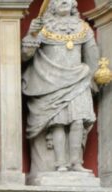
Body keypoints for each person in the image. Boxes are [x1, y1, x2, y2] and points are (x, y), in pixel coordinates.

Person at [21, 0, 101, 174]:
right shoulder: (44, 27)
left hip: (79, 80)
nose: (64, 1)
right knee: (57, 123)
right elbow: (26, 55)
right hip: (50, 84)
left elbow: (92, 55)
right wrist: (31, 35)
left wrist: (97, 74)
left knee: (78, 121)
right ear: (51, 6)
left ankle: (76, 163)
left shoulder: (83, 28)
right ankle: (60, 164)